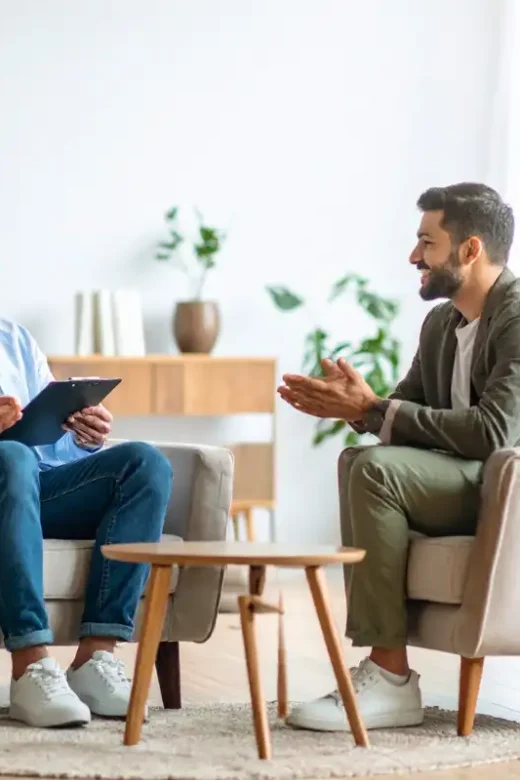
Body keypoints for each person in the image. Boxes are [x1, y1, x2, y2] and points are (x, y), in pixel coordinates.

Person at [278, 182, 518, 732]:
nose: (414, 257)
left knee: (375, 469)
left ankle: (387, 680)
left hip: (507, 490)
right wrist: (354, 408)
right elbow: (402, 407)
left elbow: (495, 431)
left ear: (470, 250)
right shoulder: (441, 324)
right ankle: (387, 673)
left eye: (426, 243)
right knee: (356, 460)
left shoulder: (518, 316)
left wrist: (375, 407)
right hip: (470, 481)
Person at [0, 322, 173, 728]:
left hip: (32, 487)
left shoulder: (13, 336)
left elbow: (45, 432)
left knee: (143, 463)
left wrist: (80, 435)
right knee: (12, 457)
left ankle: (95, 658)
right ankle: (30, 667)